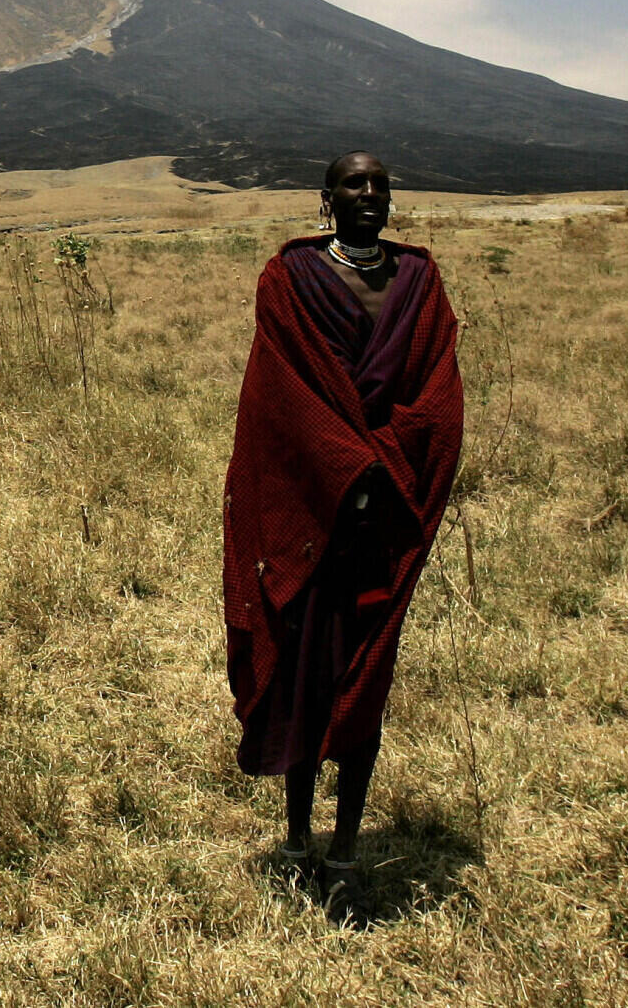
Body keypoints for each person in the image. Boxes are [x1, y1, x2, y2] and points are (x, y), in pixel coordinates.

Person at [220, 150, 464, 912]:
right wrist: (342, 474)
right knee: (306, 673)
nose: (368, 193)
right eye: (353, 183)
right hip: (314, 517)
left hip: (384, 514)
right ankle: (297, 842)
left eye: (380, 183)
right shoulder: (288, 282)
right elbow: (281, 403)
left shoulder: (420, 284)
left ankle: (348, 851)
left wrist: (378, 471)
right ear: (325, 199)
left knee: (367, 682)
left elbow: (436, 400)